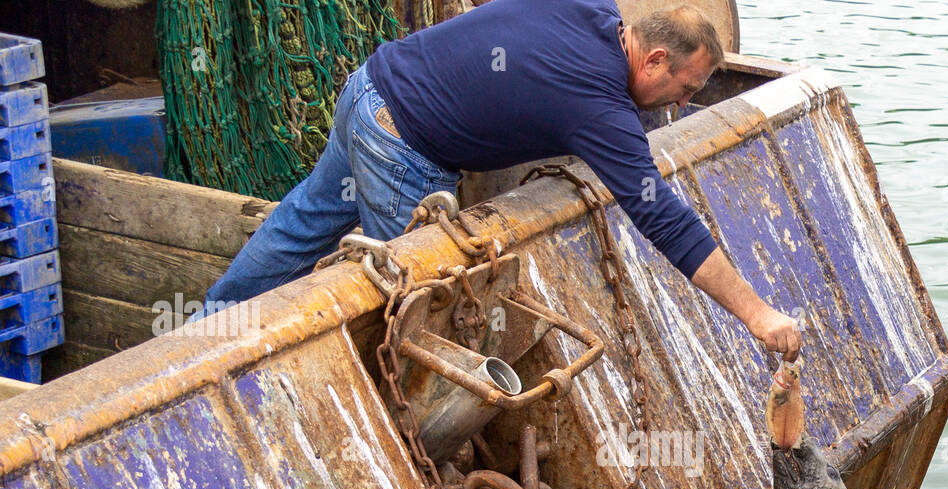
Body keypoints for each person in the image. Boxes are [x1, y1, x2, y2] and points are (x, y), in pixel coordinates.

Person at [202, 0, 801, 361]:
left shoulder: (590, 11)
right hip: (400, 146)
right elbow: (665, 219)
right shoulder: (598, 108)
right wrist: (756, 315)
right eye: (684, 89)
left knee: (304, 221)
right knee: (423, 309)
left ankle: (205, 327)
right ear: (653, 60)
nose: (678, 106)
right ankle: (410, 449)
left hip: (369, 89)